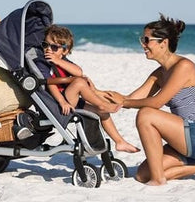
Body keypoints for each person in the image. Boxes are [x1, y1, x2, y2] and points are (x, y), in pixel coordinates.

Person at [106, 14, 195, 185]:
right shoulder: (160, 74)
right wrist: (90, 91)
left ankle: (158, 180)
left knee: (146, 114)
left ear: (164, 42)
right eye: (142, 39)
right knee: (142, 175)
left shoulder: (184, 66)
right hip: (184, 138)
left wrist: (124, 102)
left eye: (146, 40)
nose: (143, 44)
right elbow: (129, 99)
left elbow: (156, 102)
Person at [43, 25, 140, 153]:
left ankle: (120, 142)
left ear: (65, 51)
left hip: (72, 100)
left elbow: (78, 71)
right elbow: (50, 84)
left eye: (54, 47)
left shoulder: (62, 61)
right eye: (45, 45)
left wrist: (58, 61)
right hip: (59, 103)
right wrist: (62, 101)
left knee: (102, 112)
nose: (48, 49)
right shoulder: (45, 63)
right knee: (79, 82)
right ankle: (103, 104)